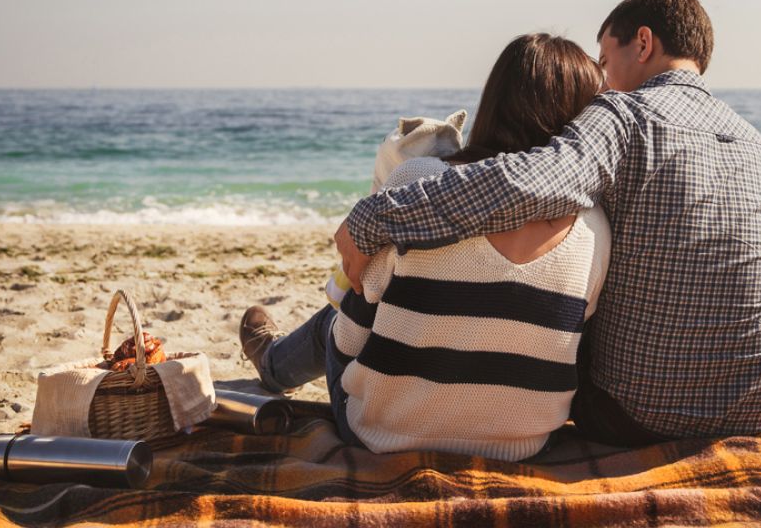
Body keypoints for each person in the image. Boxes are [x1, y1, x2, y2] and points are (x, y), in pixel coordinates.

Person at [335, 0, 761, 447]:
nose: (603, 82)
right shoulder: (752, 140)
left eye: (605, 61)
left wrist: (375, 217)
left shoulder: (623, 114)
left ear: (643, 43)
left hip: (631, 417)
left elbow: (530, 184)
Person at [240, 34, 610, 460]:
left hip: (384, 434)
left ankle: (273, 365)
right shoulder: (596, 226)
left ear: (496, 100)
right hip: (521, 444)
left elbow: (350, 337)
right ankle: (273, 361)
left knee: (339, 314)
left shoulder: (416, 184)